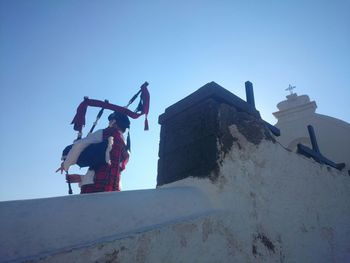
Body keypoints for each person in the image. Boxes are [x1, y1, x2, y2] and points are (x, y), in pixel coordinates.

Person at [56, 111, 130, 193]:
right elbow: (110, 172)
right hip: (114, 190)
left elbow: (79, 144)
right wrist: (81, 178)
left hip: (94, 188)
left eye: (110, 121)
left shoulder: (107, 132)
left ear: (113, 122)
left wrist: (66, 164)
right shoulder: (126, 148)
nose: (109, 123)